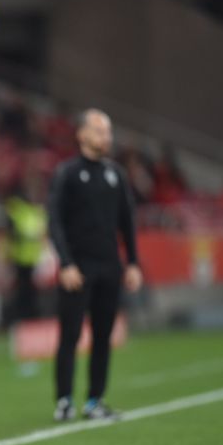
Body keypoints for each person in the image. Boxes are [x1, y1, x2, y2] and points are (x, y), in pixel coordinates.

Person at [47, 109, 142, 422]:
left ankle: (94, 400)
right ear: (82, 134)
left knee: (103, 336)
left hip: (109, 268)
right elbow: (55, 221)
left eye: (108, 131)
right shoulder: (68, 173)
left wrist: (133, 262)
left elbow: (127, 222)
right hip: (78, 269)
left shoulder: (116, 174)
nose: (106, 137)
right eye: (100, 130)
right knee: (70, 336)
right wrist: (65, 263)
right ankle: (64, 400)